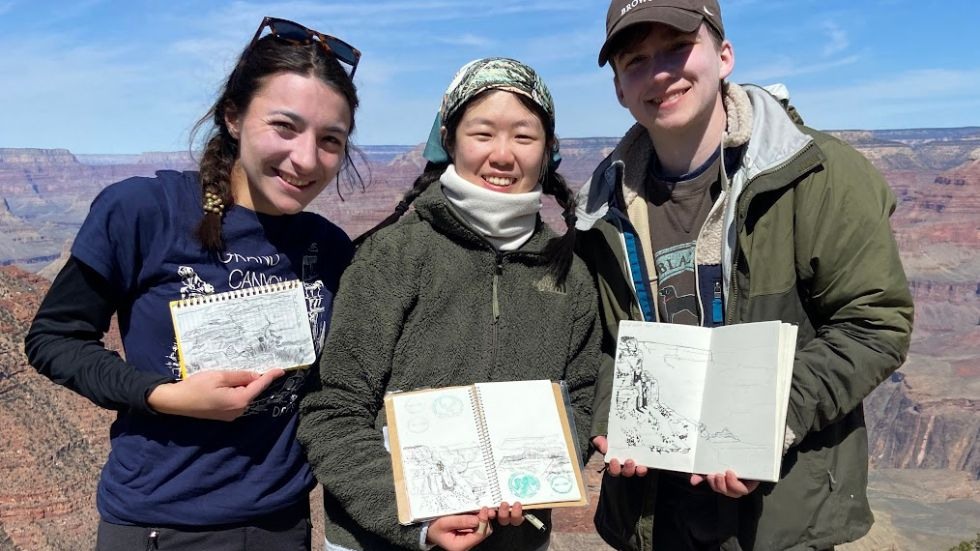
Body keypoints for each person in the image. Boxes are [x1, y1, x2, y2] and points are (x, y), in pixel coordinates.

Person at [574, 1, 914, 550]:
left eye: (677, 48)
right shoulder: (600, 207)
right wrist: (611, 405)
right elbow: (595, 343)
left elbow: (873, 325)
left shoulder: (818, 175)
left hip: (777, 517)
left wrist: (764, 422)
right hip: (651, 519)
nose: (660, 72)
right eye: (636, 60)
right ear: (618, 88)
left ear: (724, 56)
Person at [23, 16, 361, 551]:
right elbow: (53, 339)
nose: (305, 159)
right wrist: (164, 395)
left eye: (330, 140)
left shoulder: (331, 247)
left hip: (283, 526)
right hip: (160, 526)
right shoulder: (143, 212)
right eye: (284, 127)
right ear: (233, 116)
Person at [297, 57, 601, 551]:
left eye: (524, 137)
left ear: (549, 151)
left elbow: (582, 398)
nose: (503, 155)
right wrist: (414, 520)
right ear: (450, 140)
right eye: (483, 133)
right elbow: (333, 411)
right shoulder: (392, 257)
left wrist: (540, 473)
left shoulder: (568, 275)